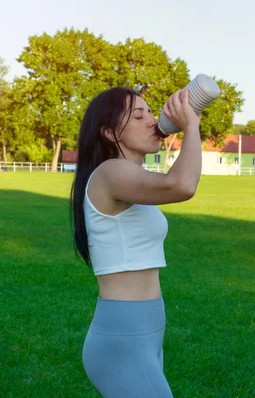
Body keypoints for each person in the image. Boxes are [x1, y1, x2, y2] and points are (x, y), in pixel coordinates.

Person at [70, 86, 201, 397]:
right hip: (123, 338)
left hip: (145, 331)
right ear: (109, 132)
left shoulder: (131, 178)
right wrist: (191, 124)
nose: (152, 121)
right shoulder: (109, 173)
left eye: (151, 113)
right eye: (139, 116)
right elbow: (182, 185)